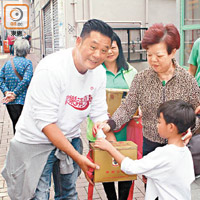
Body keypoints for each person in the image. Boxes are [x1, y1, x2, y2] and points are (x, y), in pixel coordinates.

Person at [1, 19, 113, 200]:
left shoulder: (98, 72)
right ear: (78, 42)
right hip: (35, 142)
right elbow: (46, 124)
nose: (97, 55)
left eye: (104, 50)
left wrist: (102, 127)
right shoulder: (52, 69)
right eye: (93, 47)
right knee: (38, 196)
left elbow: (99, 111)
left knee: (68, 193)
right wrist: (78, 157)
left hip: (69, 137)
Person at [93, 23, 200, 178]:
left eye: (159, 56)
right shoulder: (141, 79)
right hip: (151, 144)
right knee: (151, 185)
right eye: (149, 55)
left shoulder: (187, 80)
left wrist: (189, 129)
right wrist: (110, 124)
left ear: (173, 52)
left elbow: (196, 113)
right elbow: (127, 107)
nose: (153, 60)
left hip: (179, 145)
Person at [94, 99, 196, 200]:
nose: (157, 125)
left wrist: (109, 147)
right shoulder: (185, 151)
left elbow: (130, 167)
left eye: (159, 122)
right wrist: (150, 174)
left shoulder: (163, 153)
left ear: (170, 127)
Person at [87, 32, 137, 200]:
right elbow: (85, 100)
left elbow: (138, 99)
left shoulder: (131, 71)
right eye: (106, 49)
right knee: (106, 168)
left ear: (119, 49)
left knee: (125, 167)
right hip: (101, 129)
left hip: (126, 130)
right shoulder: (93, 72)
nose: (109, 52)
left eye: (113, 48)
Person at [0, 38, 33, 134]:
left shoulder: (8, 63)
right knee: (25, 127)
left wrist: (6, 92)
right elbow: (26, 80)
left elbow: (0, 78)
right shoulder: (27, 63)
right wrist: (14, 93)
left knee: (16, 126)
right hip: (24, 100)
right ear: (27, 50)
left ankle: (17, 145)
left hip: (10, 102)